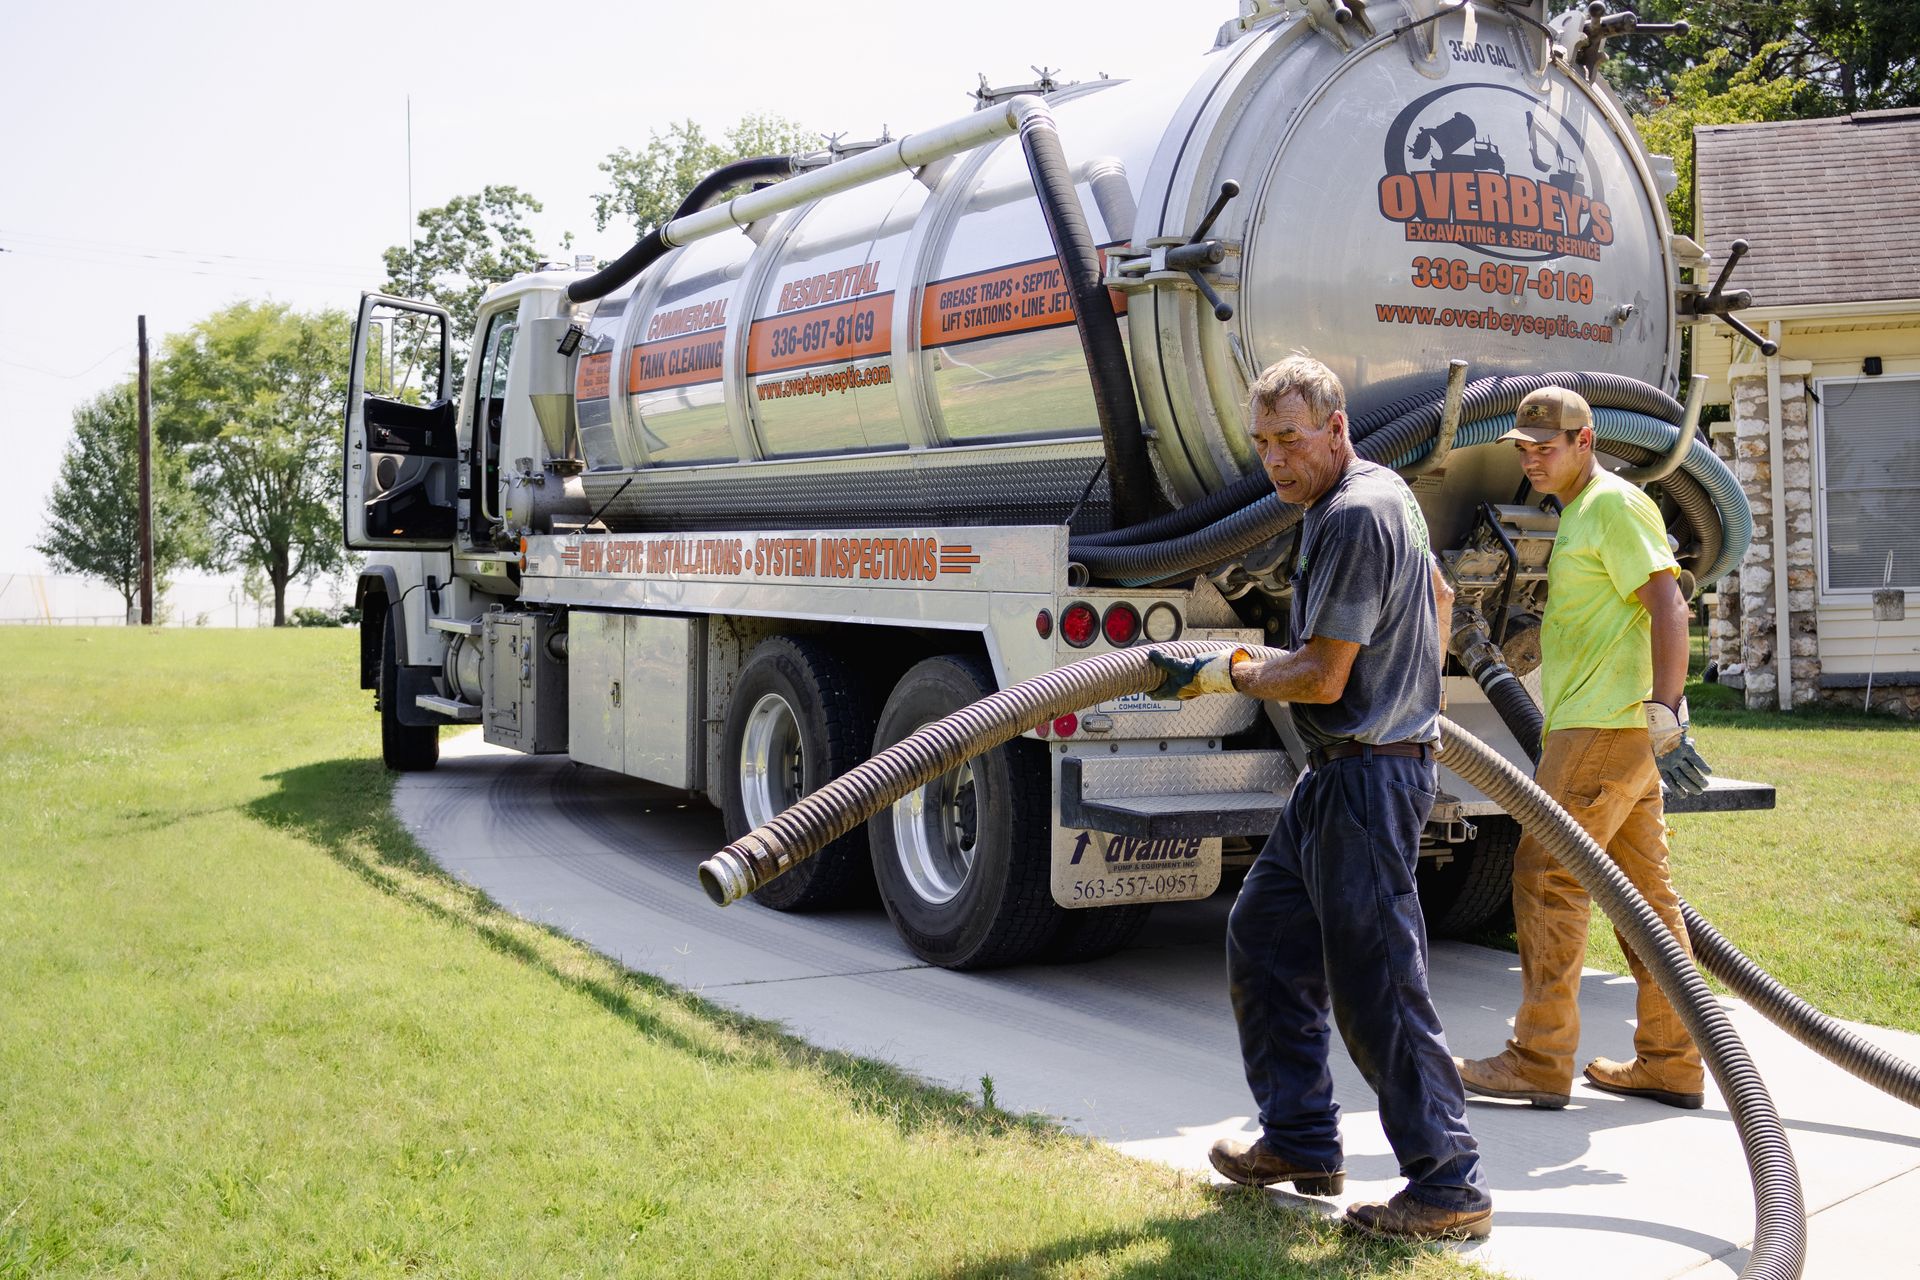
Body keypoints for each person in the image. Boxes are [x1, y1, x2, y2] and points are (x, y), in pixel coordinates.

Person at [1149, 354, 1492, 1242]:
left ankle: (1448, 1184)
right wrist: (1409, 690)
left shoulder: (1352, 516)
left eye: (1290, 440)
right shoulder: (1380, 495)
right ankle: (1300, 1138)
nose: (1275, 460)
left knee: (1378, 985)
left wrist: (1219, 671)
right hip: (1346, 768)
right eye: (1263, 443)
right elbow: (1441, 595)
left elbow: (1317, 672)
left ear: (1335, 429)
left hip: (1369, 777)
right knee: (1262, 937)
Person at [1453, 386, 1714, 1112]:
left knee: (1546, 876)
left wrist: (1666, 709)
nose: (1534, 458)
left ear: (1585, 440)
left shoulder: (1612, 505)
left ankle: (1537, 1059)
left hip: (1604, 727)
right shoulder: (1580, 513)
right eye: (1525, 448)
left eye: (1549, 446)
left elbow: (1668, 603)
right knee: (1647, 901)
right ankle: (1671, 1059)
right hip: (1610, 726)